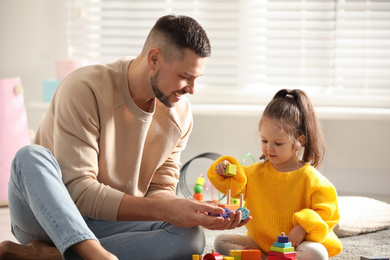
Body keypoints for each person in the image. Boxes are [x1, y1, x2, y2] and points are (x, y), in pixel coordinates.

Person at [0, 14, 250, 260]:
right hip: (46, 217)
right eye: (185, 77)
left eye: (197, 79)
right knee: (30, 156)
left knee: (189, 236)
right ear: (154, 58)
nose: (192, 89)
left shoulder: (180, 113)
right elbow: (80, 192)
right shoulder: (85, 89)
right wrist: (165, 209)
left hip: (106, 223)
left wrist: (186, 211)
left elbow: (159, 189)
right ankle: (97, 256)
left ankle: (46, 255)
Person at [207, 89, 343, 260]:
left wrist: (302, 227)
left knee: (317, 253)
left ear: (299, 141)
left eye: (278, 143)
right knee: (222, 241)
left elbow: (328, 213)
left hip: (296, 245)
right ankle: (266, 258)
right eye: (264, 141)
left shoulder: (311, 179)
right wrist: (225, 170)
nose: (269, 148)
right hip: (261, 243)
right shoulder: (254, 173)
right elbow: (235, 187)